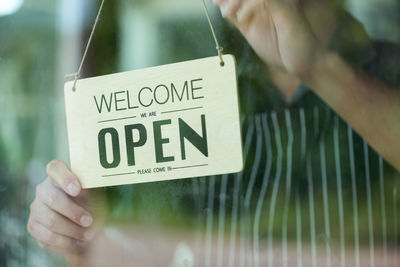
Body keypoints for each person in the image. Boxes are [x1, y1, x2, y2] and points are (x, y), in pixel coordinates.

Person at [27, 0, 400, 263]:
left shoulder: (389, 71)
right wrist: (77, 233)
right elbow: (144, 250)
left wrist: (318, 69)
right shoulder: (204, 97)